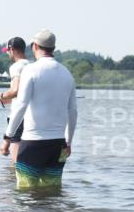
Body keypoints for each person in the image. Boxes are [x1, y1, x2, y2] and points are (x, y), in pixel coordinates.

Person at [4, 29, 78, 189]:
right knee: (52, 191)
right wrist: (69, 142)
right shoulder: (67, 74)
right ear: (53, 48)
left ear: (35, 46)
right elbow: (72, 112)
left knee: (25, 193)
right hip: (58, 144)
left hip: (33, 142)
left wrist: (7, 137)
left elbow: (21, 105)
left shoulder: (30, 71)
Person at [0, 36, 30, 162]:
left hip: (19, 117)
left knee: (16, 164)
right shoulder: (32, 65)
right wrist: (8, 99)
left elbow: (15, 90)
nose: (7, 54)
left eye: (8, 51)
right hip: (33, 117)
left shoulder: (16, 66)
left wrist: (1, 96)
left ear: (12, 49)